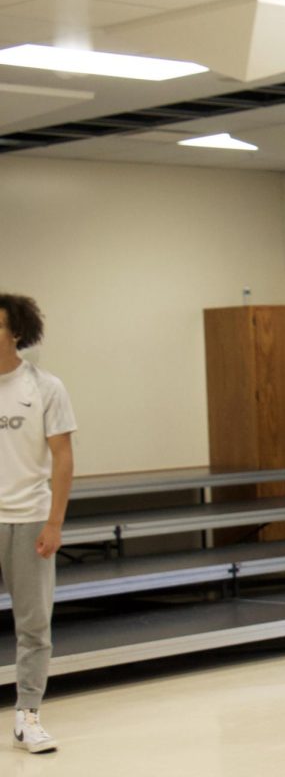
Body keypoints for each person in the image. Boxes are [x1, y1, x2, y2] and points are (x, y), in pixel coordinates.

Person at [0, 294, 75, 756]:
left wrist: (55, 522)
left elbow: (63, 458)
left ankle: (28, 716)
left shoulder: (45, 387)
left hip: (29, 520)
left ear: (15, 333)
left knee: (33, 626)